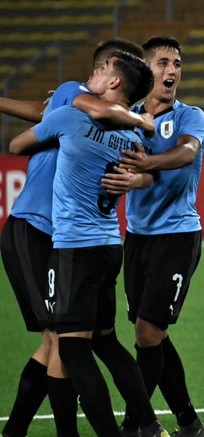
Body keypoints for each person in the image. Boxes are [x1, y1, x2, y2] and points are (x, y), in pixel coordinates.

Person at [0, 38, 155, 437]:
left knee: (62, 343)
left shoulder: (118, 117)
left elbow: (149, 168)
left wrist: (139, 174)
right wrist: (138, 121)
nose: (96, 72)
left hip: (69, 240)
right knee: (61, 341)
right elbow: (59, 112)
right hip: (35, 226)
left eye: (102, 68)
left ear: (114, 76)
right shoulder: (75, 94)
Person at [112, 36, 204, 437]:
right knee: (152, 336)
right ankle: (188, 422)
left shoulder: (190, 116)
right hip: (136, 238)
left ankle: (135, 425)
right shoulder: (126, 115)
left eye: (178, 64)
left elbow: (187, 153)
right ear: (145, 69)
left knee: (147, 333)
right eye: (164, 63)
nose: (172, 72)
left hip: (178, 236)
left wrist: (147, 164)